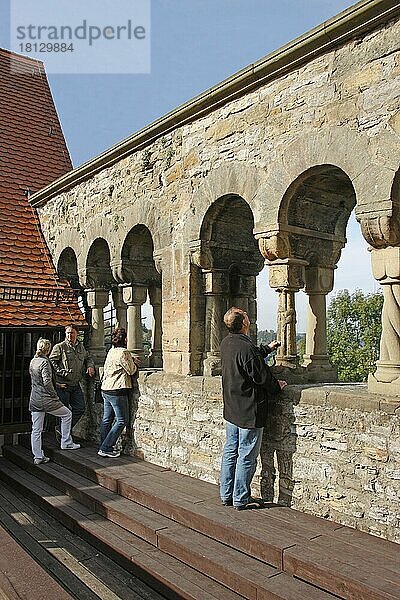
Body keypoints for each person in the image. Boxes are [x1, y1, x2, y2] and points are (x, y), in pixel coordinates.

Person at [219, 307, 287, 510]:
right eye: (246, 316)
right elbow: (260, 375)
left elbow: (248, 358)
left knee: (231, 450)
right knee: (247, 454)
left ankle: (226, 494)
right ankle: (241, 498)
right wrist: (277, 386)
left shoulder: (227, 343)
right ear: (245, 323)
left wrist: (267, 348)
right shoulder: (245, 347)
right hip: (248, 409)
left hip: (232, 407)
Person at [29, 338, 80, 465]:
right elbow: (46, 382)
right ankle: (66, 442)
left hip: (35, 398)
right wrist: (53, 394)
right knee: (67, 414)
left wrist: (57, 384)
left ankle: (38, 456)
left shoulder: (33, 361)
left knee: (36, 429)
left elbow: (39, 381)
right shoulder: (45, 362)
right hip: (47, 399)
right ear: (48, 349)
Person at [98, 328, 138, 458]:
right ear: (125, 339)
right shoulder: (124, 352)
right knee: (121, 421)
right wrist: (134, 362)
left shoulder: (111, 351)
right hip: (117, 389)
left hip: (106, 388)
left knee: (107, 419)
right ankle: (106, 447)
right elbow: (131, 370)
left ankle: (104, 445)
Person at [49, 324, 95, 437]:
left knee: (80, 408)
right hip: (63, 385)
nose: (69, 335)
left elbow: (88, 357)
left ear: (77, 334)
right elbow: (51, 362)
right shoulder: (60, 347)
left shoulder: (80, 347)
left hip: (75, 384)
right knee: (63, 412)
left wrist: (90, 366)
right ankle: (63, 438)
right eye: (68, 333)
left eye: (72, 332)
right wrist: (62, 372)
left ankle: (62, 430)